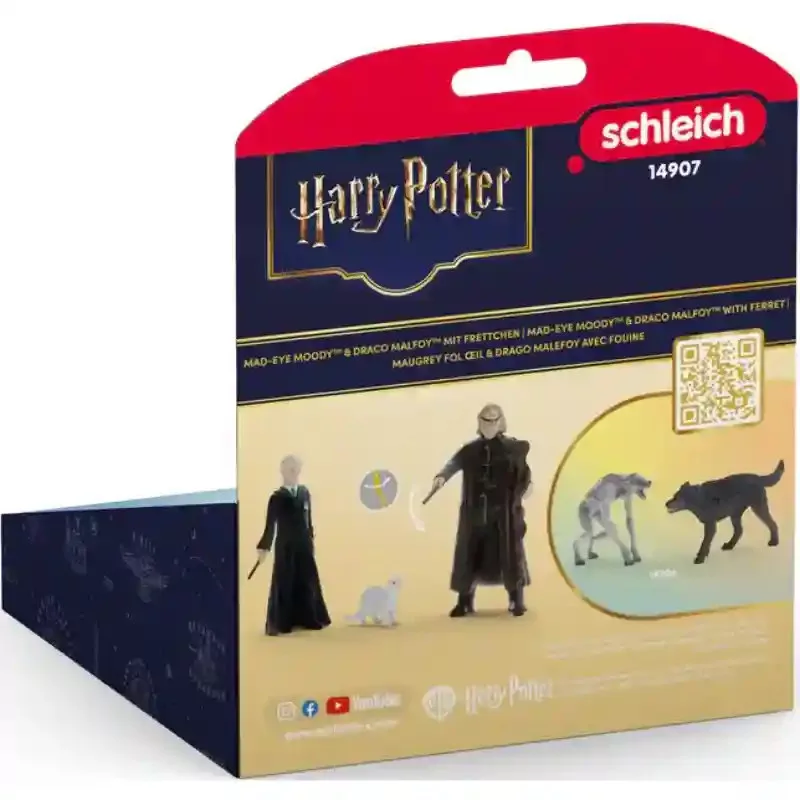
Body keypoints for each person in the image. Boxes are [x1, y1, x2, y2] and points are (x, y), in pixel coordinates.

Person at [430, 404, 531, 617]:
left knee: (510, 555)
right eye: (486, 421)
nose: (489, 425)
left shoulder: (513, 448)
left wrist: (525, 487)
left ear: (500, 422)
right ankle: (464, 601)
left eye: (493, 421)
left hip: (503, 513)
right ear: (480, 422)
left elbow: (523, 473)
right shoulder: (470, 450)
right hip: (475, 512)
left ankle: (516, 599)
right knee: (469, 555)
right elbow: (455, 462)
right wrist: (442, 476)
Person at [256, 455, 331, 636]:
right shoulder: (277, 497)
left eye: (296, 469)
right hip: (285, 546)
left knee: (306, 580)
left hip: (304, 544)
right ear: (282, 471)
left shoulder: (304, 493)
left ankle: (309, 618)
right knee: (285, 580)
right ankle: (282, 622)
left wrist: (310, 537)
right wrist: (264, 547)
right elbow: (270, 525)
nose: (293, 472)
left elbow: (308, 518)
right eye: (290, 469)